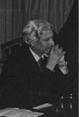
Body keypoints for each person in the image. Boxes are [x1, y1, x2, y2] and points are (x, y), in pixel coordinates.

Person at [0, 19, 72, 110]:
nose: (52, 43)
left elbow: (66, 92)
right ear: (32, 42)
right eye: (47, 40)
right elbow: (35, 96)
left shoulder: (48, 56)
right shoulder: (15, 61)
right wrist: (49, 66)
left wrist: (62, 66)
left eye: (52, 38)